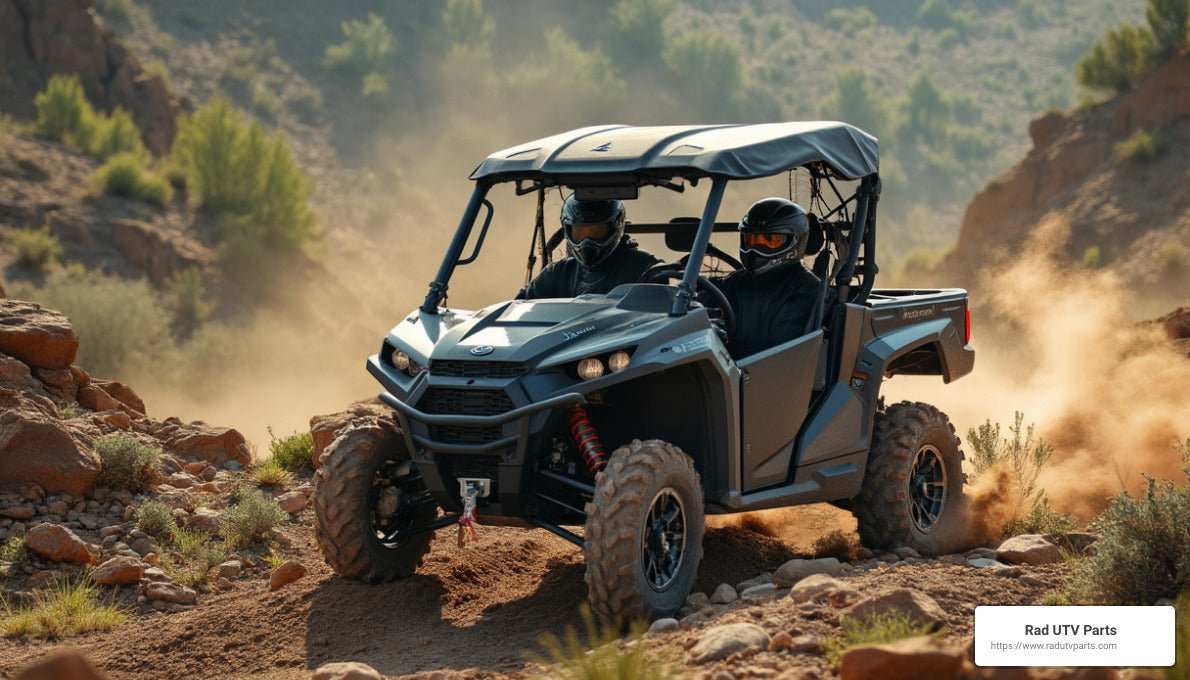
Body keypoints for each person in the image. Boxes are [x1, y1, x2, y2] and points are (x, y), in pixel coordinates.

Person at [713, 197, 820, 357]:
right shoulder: (734, 282)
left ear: (796, 241)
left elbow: (780, 350)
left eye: (770, 240)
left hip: (766, 374)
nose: (755, 249)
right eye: (751, 240)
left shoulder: (807, 289)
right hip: (720, 370)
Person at [519, 195, 660, 299]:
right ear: (568, 231)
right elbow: (518, 311)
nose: (587, 242)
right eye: (580, 232)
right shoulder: (557, 273)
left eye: (596, 232)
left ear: (615, 227)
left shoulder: (646, 269)